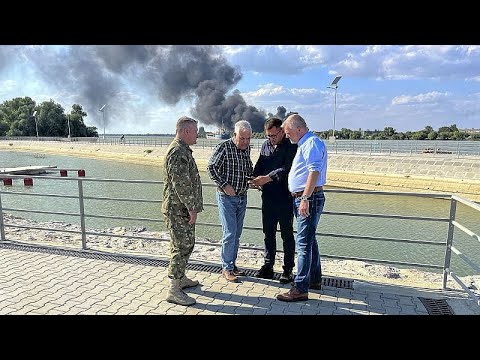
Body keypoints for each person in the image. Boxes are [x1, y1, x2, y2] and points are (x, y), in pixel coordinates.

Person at [276, 114, 327, 302]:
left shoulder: (311, 143)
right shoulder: (305, 143)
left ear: (298, 129)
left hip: (308, 198)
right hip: (305, 197)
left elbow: (314, 171)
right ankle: (313, 279)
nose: (287, 136)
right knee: (310, 240)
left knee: (303, 244)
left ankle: (300, 288)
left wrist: (305, 197)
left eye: (288, 133)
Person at [161, 116, 203, 306]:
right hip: (179, 209)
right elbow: (181, 185)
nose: (197, 134)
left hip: (182, 209)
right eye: (195, 131)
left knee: (186, 244)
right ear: (186, 131)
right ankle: (174, 289)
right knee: (181, 247)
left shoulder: (182, 149)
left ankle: (181, 278)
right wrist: (191, 208)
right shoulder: (178, 152)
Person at [250, 117, 298, 283]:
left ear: (282, 131)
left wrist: (267, 178)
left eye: (274, 135)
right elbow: (260, 165)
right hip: (268, 197)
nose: (271, 139)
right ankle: (268, 266)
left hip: (285, 197)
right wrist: (254, 178)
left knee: (287, 235)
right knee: (268, 233)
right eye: (268, 136)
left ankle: (288, 269)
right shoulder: (265, 145)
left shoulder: (292, 146)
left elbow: (286, 169)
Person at [207, 120, 253, 282]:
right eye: (242, 139)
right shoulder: (224, 147)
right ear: (235, 135)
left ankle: (232, 265)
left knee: (237, 234)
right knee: (230, 233)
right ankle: (226, 268)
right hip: (226, 198)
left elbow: (248, 168)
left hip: (242, 196)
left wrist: (254, 179)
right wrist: (225, 185)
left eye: (248, 139)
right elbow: (211, 168)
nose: (245, 142)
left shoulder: (246, 149)